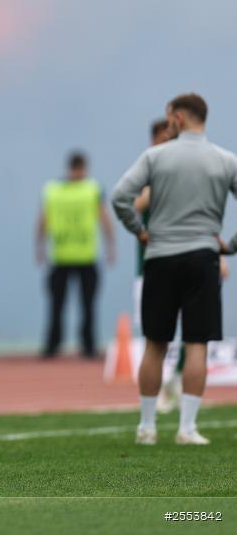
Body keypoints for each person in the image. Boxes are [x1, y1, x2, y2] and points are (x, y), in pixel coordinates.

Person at [112, 93, 237, 446]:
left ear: (179, 118)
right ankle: (187, 428)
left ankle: (147, 427)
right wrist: (230, 245)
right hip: (203, 256)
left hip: (161, 256)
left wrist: (139, 230)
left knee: (155, 343)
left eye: (169, 118)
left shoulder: (155, 156)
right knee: (196, 344)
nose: (168, 125)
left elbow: (120, 196)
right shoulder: (226, 160)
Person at [36, 152, 115, 358]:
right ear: (83, 168)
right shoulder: (92, 189)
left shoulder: (53, 190)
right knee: (74, 305)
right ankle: (83, 345)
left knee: (68, 305)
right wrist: (110, 246)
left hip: (69, 255)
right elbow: (104, 218)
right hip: (75, 256)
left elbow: (42, 220)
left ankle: (57, 345)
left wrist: (40, 246)